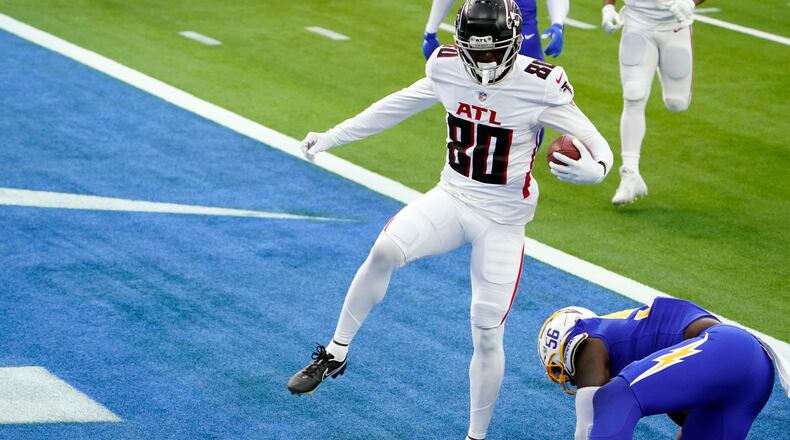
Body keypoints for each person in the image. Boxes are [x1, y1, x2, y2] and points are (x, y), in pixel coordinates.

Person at [288, 1, 613, 439]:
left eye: (491, 51)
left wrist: (596, 171)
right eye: (473, 52)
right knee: (385, 248)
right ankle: (336, 351)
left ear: (514, 43)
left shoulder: (541, 84)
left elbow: (599, 146)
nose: (481, 62)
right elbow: (395, 106)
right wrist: (332, 136)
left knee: (486, 332)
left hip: (502, 218)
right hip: (453, 195)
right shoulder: (446, 66)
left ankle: (474, 436)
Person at [537, 297, 790, 439]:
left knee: (613, 397)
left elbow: (589, 424)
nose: (573, 377)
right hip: (751, 379)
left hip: (731, 348)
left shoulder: (587, 337)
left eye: (562, 371)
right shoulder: (655, 366)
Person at [601, 0, 704, 205]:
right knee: (633, 95)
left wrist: (691, 3)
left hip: (675, 25)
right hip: (637, 22)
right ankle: (630, 173)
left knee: (677, 103)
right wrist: (608, 6)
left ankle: (655, 62)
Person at [422, 0, 569, 60]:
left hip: (522, 32)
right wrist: (430, 31)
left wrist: (558, 23)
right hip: (480, 28)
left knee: (533, 102)